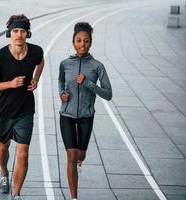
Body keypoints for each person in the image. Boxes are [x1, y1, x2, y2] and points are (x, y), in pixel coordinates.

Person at [0, 14, 44, 200]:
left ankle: (16, 194)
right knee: (3, 145)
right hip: (4, 110)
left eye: (22, 31)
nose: (19, 35)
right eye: (15, 31)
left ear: (28, 33)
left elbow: (41, 62)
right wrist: (9, 84)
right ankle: (3, 173)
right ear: (9, 33)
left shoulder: (36, 51)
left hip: (25, 109)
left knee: (23, 153)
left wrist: (36, 79)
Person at [58, 22, 112, 200]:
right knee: (71, 155)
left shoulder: (98, 66)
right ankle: (74, 197)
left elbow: (108, 94)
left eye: (86, 41)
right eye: (78, 40)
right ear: (73, 42)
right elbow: (60, 81)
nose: (82, 44)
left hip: (86, 116)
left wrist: (88, 83)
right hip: (66, 114)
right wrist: (62, 94)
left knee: (80, 154)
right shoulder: (65, 64)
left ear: (91, 43)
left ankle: (80, 159)